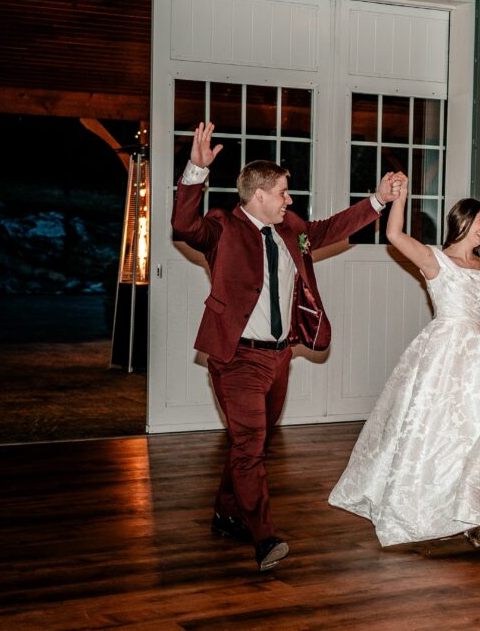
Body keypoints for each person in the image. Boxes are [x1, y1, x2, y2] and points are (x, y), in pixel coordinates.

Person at [171, 122, 402, 572]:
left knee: (248, 444)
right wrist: (195, 171)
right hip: (237, 357)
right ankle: (264, 537)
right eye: (282, 192)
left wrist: (378, 200)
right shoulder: (222, 228)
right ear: (258, 195)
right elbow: (184, 225)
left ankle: (224, 512)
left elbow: (331, 228)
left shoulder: (290, 228)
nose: (289, 200)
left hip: (280, 356)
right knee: (251, 446)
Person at [328, 172, 480, 548]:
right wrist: (401, 198)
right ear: (463, 221)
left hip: (478, 359)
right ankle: (417, 502)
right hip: (442, 354)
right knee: (433, 430)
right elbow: (395, 236)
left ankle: (477, 514)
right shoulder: (436, 261)